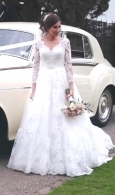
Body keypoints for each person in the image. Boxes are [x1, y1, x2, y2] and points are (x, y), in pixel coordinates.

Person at [7, 13, 114, 177]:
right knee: (42, 118)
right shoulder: (38, 43)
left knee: (64, 117)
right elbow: (35, 66)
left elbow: (68, 64)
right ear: (47, 28)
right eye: (55, 27)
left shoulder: (65, 42)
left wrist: (71, 87)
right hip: (43, 83)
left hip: (60, 81)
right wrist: (34, 87)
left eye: (59, 26)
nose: (58, 29)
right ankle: (39, 158)